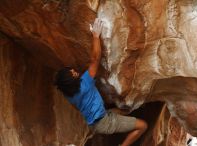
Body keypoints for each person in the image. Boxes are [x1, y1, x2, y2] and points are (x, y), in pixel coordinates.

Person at [54, 18, 147, 146]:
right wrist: (96, 36)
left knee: (125, 111)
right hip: (104, 122)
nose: (76, 72)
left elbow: (76, 107)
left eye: (73, 71)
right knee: (143, 126)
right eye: (73, 74)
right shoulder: (84, 83)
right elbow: (95, 59)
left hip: (97, 121)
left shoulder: (68, 94)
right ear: (70, 81)